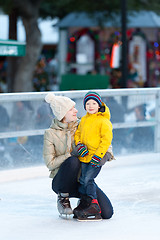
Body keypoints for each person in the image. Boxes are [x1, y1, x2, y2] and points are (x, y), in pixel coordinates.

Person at [43, 92, 114, 220]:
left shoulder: (83, 123)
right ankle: (63, 197)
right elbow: (50, 163)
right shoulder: (50, 134)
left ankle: (84, 203)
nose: (76, 110)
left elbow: (104, 140)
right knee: (73, 161)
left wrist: (106, 155)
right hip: (62, 180)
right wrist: (71, 154)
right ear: (63, 113)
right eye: (71, 109)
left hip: (82, 178)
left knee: (107, 213)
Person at [73, 91, 114, 221]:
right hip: (84, 156)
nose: (91, 106)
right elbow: (77, 133)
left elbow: (106, 140)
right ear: (85, 106)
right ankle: (85, 203)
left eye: (94, 103)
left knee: (88, 180)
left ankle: (94, 206)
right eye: (88, 103)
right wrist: (79, 145)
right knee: (82, 180)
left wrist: (98, 156)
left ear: (99, 105)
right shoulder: (84, 120)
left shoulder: (103, 121)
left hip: (96, 157)